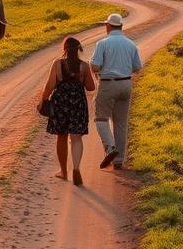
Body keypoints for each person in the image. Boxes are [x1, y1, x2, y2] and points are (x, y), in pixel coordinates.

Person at [39, 36, 96, 186]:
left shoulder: (57, 64)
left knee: (62, 136)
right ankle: (76, 169)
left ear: (64, 49)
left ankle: (63, 171)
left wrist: (42, 100)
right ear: (79, 49)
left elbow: (49, 86)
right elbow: (91, 87)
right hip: (78, 103)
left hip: (61, 103)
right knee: (76, 137)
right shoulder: (84, 66)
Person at [90, 13, 142, 169]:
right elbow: (137, 67)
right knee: (120, 123)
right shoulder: (131, 44)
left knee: (101, 118)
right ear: (121, 26)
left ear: (108, 26)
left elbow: (95, 66)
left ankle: (110, 148)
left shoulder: (102, 44)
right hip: (126, 84)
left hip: (108, 83)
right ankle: (119, 160)